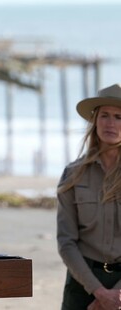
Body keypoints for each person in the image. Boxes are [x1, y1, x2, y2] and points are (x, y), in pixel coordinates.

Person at [57, 83, 121, 310]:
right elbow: (66, 242)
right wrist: (99, 292)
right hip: (82, 283)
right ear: (95, 120)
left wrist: (115, 295)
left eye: (118, 117)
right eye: (104, 115)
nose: (110, 123)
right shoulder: (73, 174)